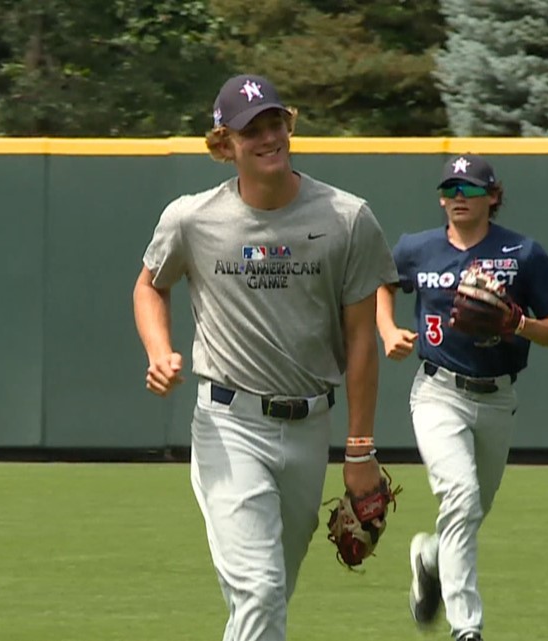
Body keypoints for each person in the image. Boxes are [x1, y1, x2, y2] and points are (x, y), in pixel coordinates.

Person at [132, 73, 399, 641]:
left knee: (270, 595)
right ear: (224, 143)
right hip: (229, 425)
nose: (268, 135)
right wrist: (159, 350)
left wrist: (359, 449)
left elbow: (360, 340)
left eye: (275, 121)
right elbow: (149, 284)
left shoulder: (347, 218)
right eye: (251, 128)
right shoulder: (192, 218)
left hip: (310, 428)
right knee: (260, 589)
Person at [376, 154, 548, 641]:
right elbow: (380, 282)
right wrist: (387, 329)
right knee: (460, 497)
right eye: (449, 189)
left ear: (492, 196)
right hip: (438, 392)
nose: (457, 198)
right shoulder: (417, 248)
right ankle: (467, 627)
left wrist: (519, 323)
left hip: (498, 398)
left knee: (469, 512)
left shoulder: (523, 253)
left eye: (468, 189)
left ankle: (430, 557)